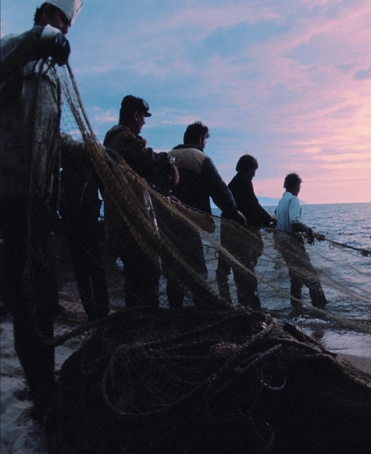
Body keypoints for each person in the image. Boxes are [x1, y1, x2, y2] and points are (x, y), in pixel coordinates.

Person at [0, 0, 80, 419]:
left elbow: (53, 140)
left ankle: (41, 381)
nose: (64, 30)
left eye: (67, 24)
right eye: (60, 21)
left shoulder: (51, 78)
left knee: (41, 291)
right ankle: (42, 391)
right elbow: (14, 52)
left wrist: (94, 153)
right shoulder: (18, 49)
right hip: (10, 192)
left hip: (37, 198)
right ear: (46, 13)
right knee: (28, 290)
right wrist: (43, 39)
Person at [104, 95, 178, 307]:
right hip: (132, 223)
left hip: (119, 220)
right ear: (135, 116)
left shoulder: (111, 140)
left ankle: (136, 322)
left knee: (134, 278)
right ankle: (146, 325)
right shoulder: (126, 139)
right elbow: (147, 161)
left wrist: (160, 193)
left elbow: (135, 178)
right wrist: (169, 161)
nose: (144, 123)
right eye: (143, 118)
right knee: (147, 272)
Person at [164, 122, 243, 309]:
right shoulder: (199, 158)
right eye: (205, 140)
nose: (204, 144)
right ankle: (201, 314)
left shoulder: (168, 157)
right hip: (191, 223)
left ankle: (175, 314)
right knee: (197, 271)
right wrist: (235, 214)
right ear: (200, 139)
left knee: (173, 271)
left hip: (167, 223)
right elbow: (220, 191)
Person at [217, 155, 276, 310]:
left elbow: (248, 208)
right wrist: (269, 219)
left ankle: (240, 306)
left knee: (234, 271)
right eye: (254, 170)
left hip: (228, 233)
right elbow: (252, 205)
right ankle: (253, 309)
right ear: (249, 168)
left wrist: (265, 220)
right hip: (238, 236)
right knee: (246, 274)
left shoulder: (234, 182)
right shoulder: (243, 181)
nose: (254, 174)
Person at [60, 135, 109, 321]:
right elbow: (104, 191)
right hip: (86, 223)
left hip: (72, 223)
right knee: (95, 267)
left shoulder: (66, 173)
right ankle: (101, 312)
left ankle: (93, 311)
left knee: (83, 270)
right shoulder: (90, 170)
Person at [275, 173, 327, 310]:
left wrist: (312, 234)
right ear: (296, 186)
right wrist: (309, 230)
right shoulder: (293, 199)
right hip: (293, 244)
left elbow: (281, 223)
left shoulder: (281, 201)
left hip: (283, 244)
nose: (299, 189)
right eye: (299, 186)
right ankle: (321, 308)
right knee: (312, 277)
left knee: (296, 278)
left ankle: (296, 309)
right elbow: (294, 221)